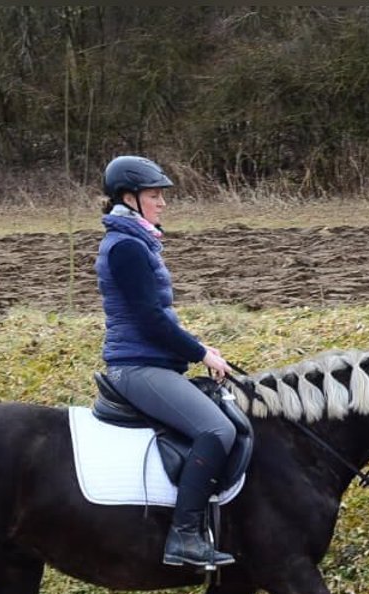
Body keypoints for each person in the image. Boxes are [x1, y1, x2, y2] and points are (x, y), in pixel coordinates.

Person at [95, 154, 237, 569]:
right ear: (129, 198)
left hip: (152, 360)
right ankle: (185, 536)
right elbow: (150, 319)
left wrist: (194, 345)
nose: (163, 203)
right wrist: (199, 352)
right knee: (216, 429)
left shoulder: (137, 241)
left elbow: (158, 319)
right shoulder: (126, 248)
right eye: (155, 196)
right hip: (137, 367)